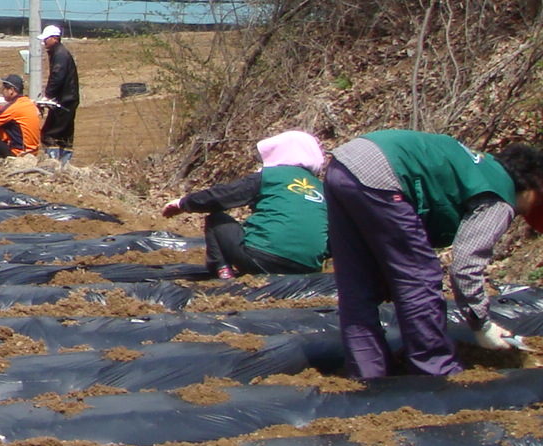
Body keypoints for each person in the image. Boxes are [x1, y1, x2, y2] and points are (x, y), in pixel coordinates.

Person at [324, 130, 543, 379]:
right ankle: (436, 374)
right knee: (419, 279)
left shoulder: (481, 168)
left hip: (343, 166)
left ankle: (369, 375)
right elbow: (465, 265)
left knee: (357, 283)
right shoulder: (499, 196)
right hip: (382, 175)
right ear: (533, 184)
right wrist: (482, 324)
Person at [163, 129, 328, 280]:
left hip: (261, 260)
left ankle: (222, 271)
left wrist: (184, 203)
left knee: (216, 220)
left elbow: (222, 196)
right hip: (307, 269)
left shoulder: (269, 176)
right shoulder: (322, 189)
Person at [39, 25, 79, 164]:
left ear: (55, 39)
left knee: (49, 134)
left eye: (46, 40)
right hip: (68, 98)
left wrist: (48, 95)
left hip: (64, 100)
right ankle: (64, 164)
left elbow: (57, 76)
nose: (44, 43)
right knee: (65, 136)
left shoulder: (60, 54)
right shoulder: (59, 52)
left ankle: (52, 163)